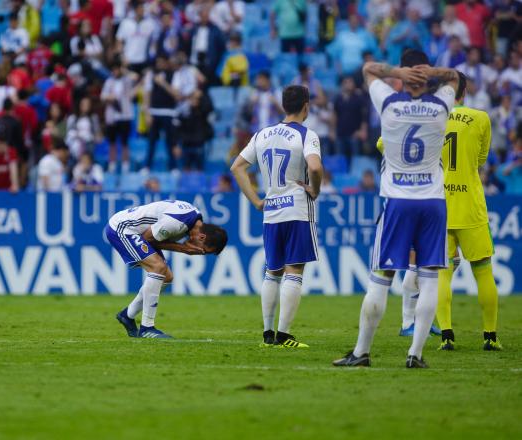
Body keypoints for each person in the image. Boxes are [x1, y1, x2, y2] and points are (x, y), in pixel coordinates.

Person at [333, 50, 459, 369]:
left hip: (398, 201)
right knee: (429, 278)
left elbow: (368, 69)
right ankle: (415, 355)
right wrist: (431, 72)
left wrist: (400, 73)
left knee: (381, 278)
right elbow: (455, 77)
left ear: (403, 77)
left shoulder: (390, 104)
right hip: (432, 201)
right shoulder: (441, 106)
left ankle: (361, 352)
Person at [402, 74, 501, 351]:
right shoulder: (481, 118)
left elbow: (389, 145)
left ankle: (446, 334)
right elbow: (481, 160)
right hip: (470, 204)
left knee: (441, 274)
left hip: (438, 205)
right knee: (483, 270)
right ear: (465, 92)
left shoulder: (428, 118)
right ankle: (490, 336)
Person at [231, 85, 323, 348]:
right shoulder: (307, 134)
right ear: (306, 105)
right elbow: (314, 167)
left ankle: (268, 335)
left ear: (283, 106)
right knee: (294, 270)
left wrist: (257, 200)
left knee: (272, 271)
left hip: (272, 211)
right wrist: (314, 190)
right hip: (296, 209)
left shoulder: (262, 134)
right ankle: (284, 335)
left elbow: (237, 167)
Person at [112, 200, 228, 338]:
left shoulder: (194, 220)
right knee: (158, 267)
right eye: (202, 250)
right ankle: (147, 328)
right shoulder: (176, 223)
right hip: (122, 228)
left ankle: (127, 315)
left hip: (135, 230)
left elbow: (156, 238)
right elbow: (147, 238)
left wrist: (183, 248)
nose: (198, 251)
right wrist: (183, 249)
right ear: (201, 237)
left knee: (167, 277)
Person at [100, 63, 136, 173]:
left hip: (125, 115)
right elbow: (103, 96)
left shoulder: (127, 80)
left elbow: (136, 76)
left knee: (125, 142)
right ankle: (112, 164)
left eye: (117, 70)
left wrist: (125, 70)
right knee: (112, 142)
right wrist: (110, 98)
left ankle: (125, 165)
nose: (115, 72)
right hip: (112, 116)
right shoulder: (109, 82)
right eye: (113, 70)